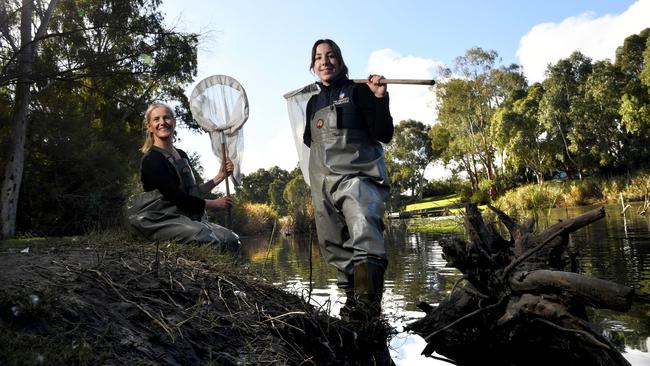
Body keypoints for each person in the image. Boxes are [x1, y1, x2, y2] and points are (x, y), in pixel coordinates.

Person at [303, 39, 394, 322]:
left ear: (341, 61)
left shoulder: (359, 92)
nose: (324, 61)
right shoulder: (312, 104)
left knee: (364, 233)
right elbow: (311, 142)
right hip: (323, 186)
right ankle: (352, 307)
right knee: (335, 246)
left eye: (330, 56)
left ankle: (369, 310)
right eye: (318, 57)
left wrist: (380, 97)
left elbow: (384, 133)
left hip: (358, 178)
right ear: (313, 66)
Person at [127, 102, 241, 253]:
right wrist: (214, 204)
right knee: (206, 238)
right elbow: (178, 198)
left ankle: (231, 275)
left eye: (166, 117)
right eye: (156, 119)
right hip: (160, 220)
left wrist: (219, 177)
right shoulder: (151, 160)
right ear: (149, 126)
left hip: (186, 218)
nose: (162, 122)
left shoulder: (181, 155)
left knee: (232, 240)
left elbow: (193, 192)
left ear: (174, 122)